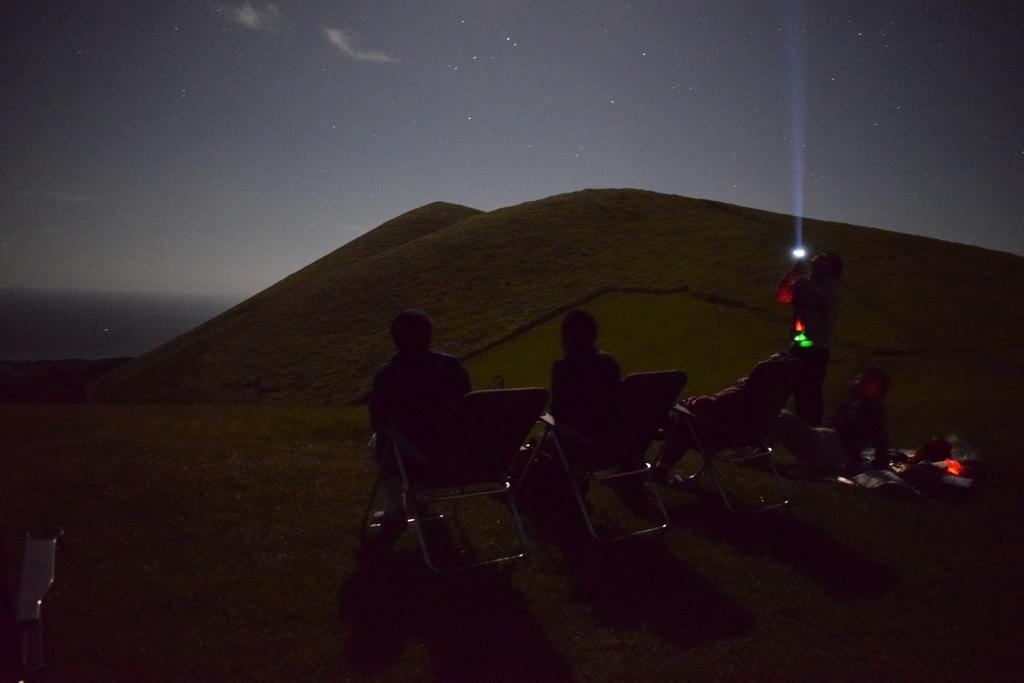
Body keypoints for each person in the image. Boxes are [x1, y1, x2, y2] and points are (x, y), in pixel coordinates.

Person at [367, 310, 471, 527]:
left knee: (379, 441)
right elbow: (469, 406)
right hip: (458, 455)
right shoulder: (451, 366)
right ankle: (418, 502)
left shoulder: (388, 375)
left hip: (417, 459)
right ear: (429, 336)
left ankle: (394, 510)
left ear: (395, 339)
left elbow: (378, 422)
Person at [651, 354, 796, 485]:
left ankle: (657, 466)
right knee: (683, 421)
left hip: (720, 435)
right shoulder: (774, 395)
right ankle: (659, 457)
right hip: (749, 436)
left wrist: (690, 402)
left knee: (680, 420)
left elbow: (709, 404)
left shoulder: (746, 391)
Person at [772, 368, 890, 472]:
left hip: (832, 450)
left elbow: (879, 439)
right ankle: (761, 449)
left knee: (781, 415)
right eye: (862, 380)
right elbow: (834, 423)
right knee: (778, 416)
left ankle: (759, 451)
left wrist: (872, 463)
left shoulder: (873, 411)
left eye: (868, 383)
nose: (861, 383)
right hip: (826, 441)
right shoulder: (851, 403)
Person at [776, 251, 843, 426]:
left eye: (823, 258)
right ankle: (803, 431)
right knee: (799, 389)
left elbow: (824, 305)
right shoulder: (802, 281)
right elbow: (781, 295)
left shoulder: (830, 287)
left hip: (816, 346)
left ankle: (812, 431)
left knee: (811, 391)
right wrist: (794, 273)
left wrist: (804, 283)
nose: (816, 259)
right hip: (798, 344)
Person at [549, 309, 622, 444]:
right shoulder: (608, 362)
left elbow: (557, 413)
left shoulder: (563, 368)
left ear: (567, 338)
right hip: (611, 438)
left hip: (579, 441)